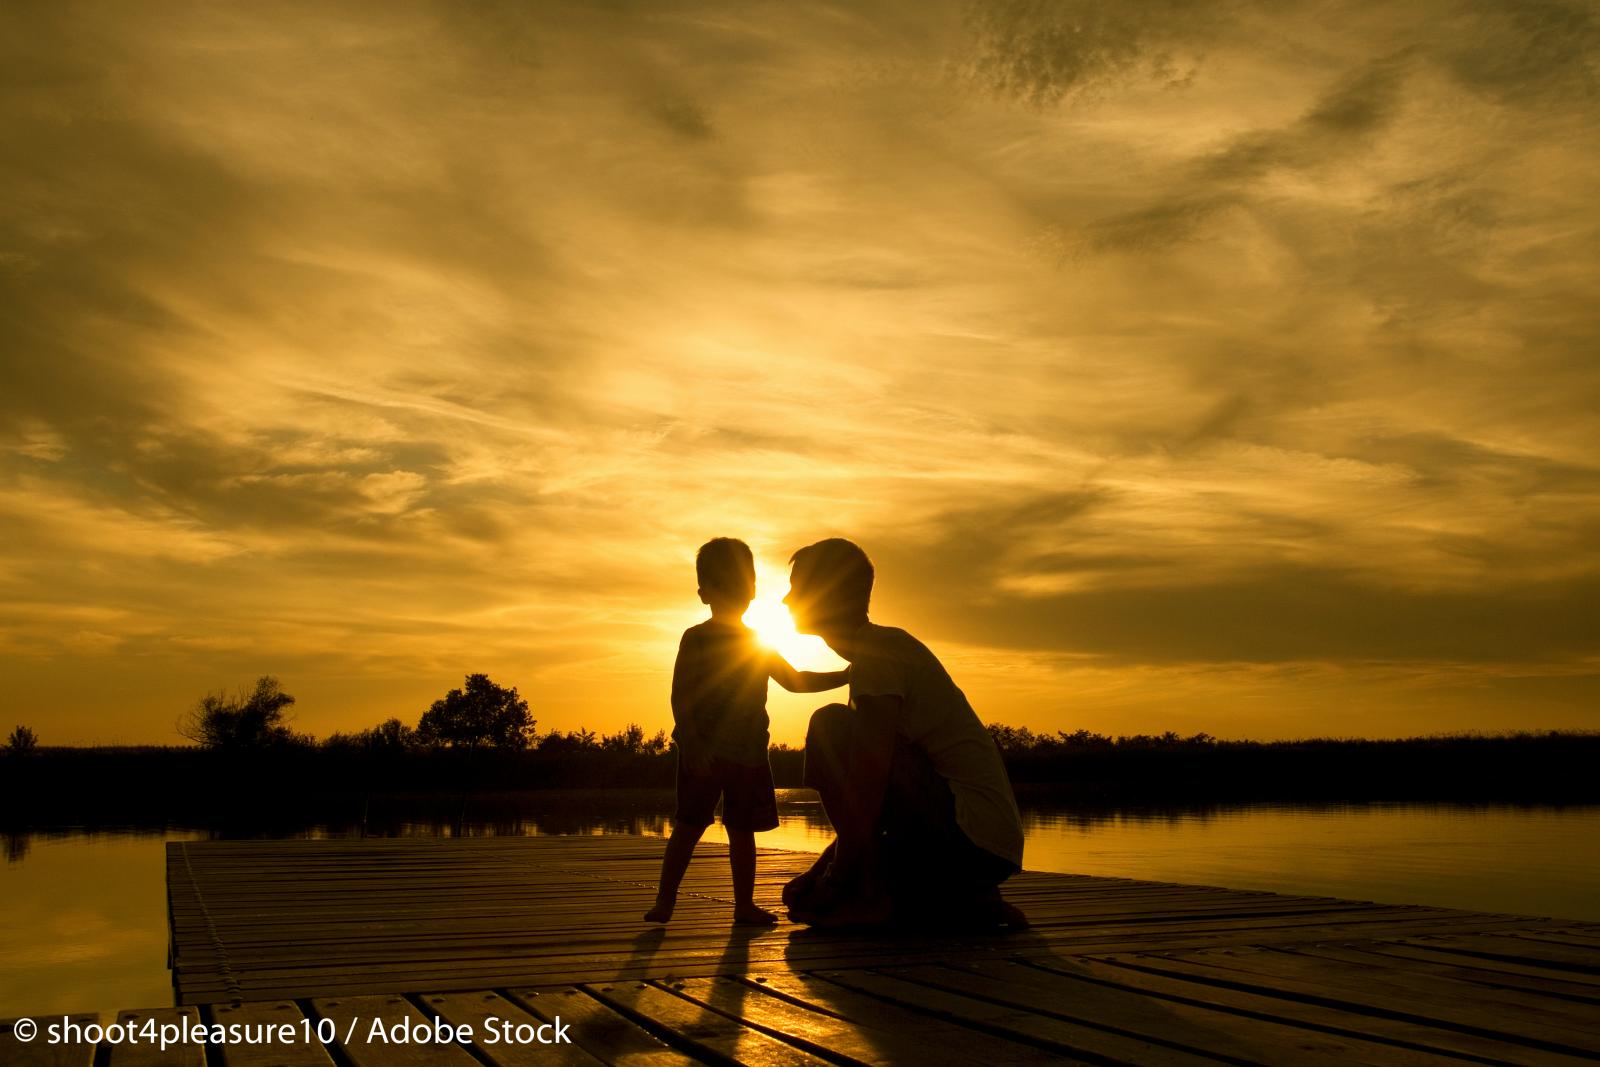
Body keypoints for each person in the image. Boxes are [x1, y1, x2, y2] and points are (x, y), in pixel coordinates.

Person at [779, 538, 1027, 929]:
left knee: (830, 727)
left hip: (971, 840)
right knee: (804, 898)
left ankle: (874, 897)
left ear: (828, 594)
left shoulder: (879, 652)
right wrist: (818, 872)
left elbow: (868, 781)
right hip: (981, 849)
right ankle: (967, 899)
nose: (785, 601)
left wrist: (839, 878)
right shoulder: (873, 657)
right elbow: (877, 800)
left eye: (796, 588)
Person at [645, 537, 849, 925]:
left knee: (743, 830)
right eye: (724, 583)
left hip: (749, 754)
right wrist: (690, 741)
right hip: (703, 752)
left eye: (744, 582)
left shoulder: (758, 642)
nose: (737, 590)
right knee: (689, 825)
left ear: (753, 589)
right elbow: (681, 696)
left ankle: (744, 906)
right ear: (704, 593)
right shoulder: (697, 638)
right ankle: (665, 900)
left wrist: (844, 675)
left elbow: (795, 680)